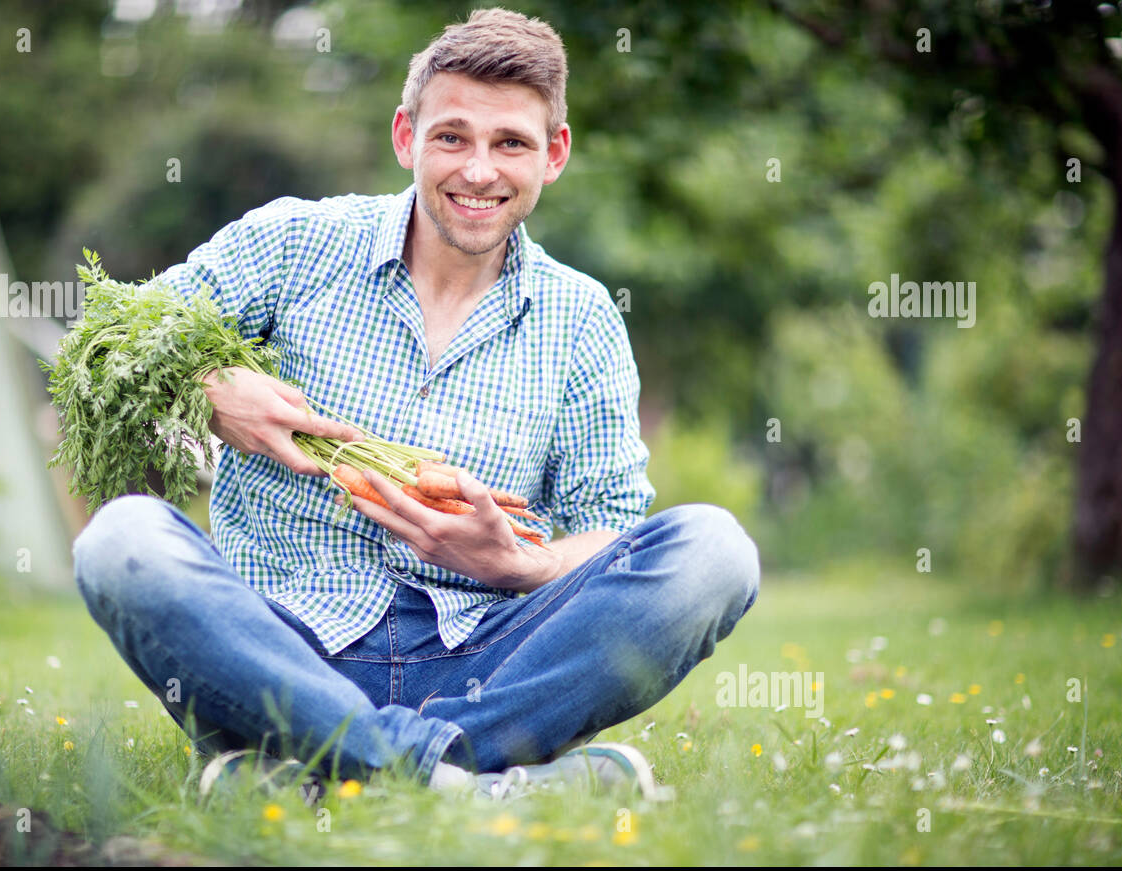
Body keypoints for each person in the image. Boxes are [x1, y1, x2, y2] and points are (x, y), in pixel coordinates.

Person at [73, 7, 759, 801]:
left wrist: (522, 564)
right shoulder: (293, 242)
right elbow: (104, 341)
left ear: (555, 155)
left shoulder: (582, 318)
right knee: (120, 539)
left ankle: (317, 771)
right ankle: (470, 785)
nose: (478, 171)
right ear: (406, 137)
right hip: (283, 647)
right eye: (452, 138)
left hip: (485, 665)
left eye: (511, 144)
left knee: (714, 550)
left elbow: (612, 525)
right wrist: (209, 392)